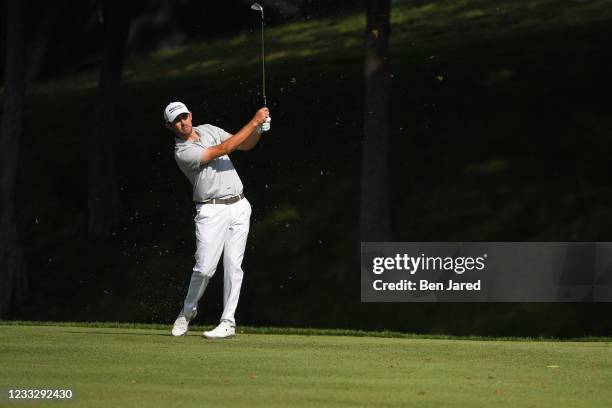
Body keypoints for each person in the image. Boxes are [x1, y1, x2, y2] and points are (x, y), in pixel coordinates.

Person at [164, 101, 271, 339]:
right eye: (177, 121)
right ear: (170, 126)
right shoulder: (182, 152)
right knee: (204, 269)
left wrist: (259, 130)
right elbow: (222, 150)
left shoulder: (210, 129)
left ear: (190, 115)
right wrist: (253, 121)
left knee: (233, 266)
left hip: (240, 205)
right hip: (211, 211)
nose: (183, 123)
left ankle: (227, 322)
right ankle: (187, 312)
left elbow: (243, 144)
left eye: (184, 117)